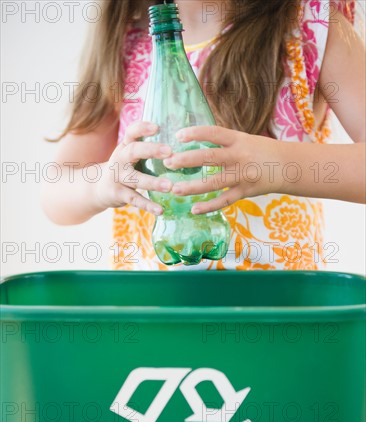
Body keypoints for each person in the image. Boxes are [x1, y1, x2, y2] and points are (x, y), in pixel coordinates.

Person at [42, 0, 365, 271]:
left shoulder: (309, 26)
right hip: (156, 321)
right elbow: (55, 193)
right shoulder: (125, 41)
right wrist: (102, 183)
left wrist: (273, 164)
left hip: (278, 319)